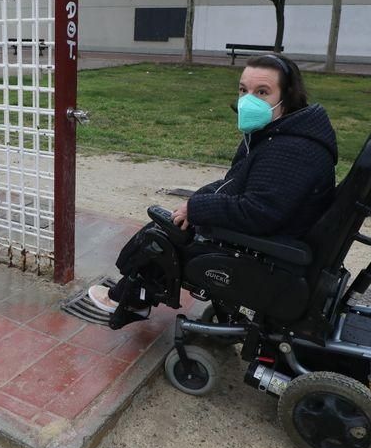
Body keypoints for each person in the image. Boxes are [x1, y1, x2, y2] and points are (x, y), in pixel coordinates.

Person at [89, 53, 338, 328]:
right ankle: (133, 296)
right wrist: (198, 202)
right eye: (244, 90)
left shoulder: (291, 150)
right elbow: (238, 183)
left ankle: (128, 299)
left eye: (262, 92)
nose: (248, 100)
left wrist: (197, 208)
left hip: (271, 251)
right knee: (169, 225)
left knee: (161, 238)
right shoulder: (281, 134)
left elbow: (259, 211)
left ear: (287, 97)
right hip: (278, 237)